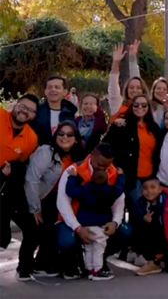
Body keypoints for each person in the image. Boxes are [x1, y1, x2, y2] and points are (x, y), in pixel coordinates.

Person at [56, 143, 131, 281]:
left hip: (99, 222)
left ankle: (98, 262)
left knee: (126, 232)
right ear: (91, 155)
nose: (103, 168)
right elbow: (63, 203)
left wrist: (114, 223)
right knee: (67, 241)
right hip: (72, 221)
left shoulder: (113, 172)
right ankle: (77, 261)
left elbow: (119, 202)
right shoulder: (73, 170)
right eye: (100, 164)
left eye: (107, 166)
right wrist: (78, 228)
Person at [21, 121, 86, 280]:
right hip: (38, 197)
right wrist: (35, 208)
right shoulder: (46, 151)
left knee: (51, 232)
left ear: (76, 138)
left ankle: (44, 264)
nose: (65, 137)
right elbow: (31, 179)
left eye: (70, 134)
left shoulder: (77, 156)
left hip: (59, 199)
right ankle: (23, 268)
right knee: (35, 231)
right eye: (61, 133)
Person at [0, 94, 39, 282]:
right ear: (15, 105)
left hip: (8, 185)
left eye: (31, 110)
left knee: (32, 228)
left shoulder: (31, 138)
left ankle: (25, 268)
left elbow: (21, 165)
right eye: (23, 106)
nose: (25, 111)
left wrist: (13, 169)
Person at [102, 95, 160, 213]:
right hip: (132, 177)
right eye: (136, 105)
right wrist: (115, 167)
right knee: (138, 212)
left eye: (144, 105)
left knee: (151, 212)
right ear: (131, 106)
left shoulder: (154, 127)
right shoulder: (122, 125)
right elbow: (105, 147)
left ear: (148, 107)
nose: (140, 107)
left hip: (151, 176)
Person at [131, 176, 168, 275]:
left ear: (160, 190)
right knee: (139, 229)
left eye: (153, 187)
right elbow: (134, 223)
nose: (149, 191)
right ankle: (151, 261)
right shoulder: (140, 204)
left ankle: (162, 256)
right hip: (155, 237)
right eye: (145, 188)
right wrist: (143, 220)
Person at [31, 75, 78, 146]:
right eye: (50, 87)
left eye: (57, 87)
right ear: (45, 91)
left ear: (64, 92)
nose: (53, 90)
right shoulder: (35, 111)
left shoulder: (70, 113)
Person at [107, 41, 145, 121]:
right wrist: (116, 62)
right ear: (126, 90)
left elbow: (136, 78)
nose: (135, 90)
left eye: (138, 88)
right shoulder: (118, 104)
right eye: (131, 88)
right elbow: (113, 86)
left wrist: (132, 57)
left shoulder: (146, 109)